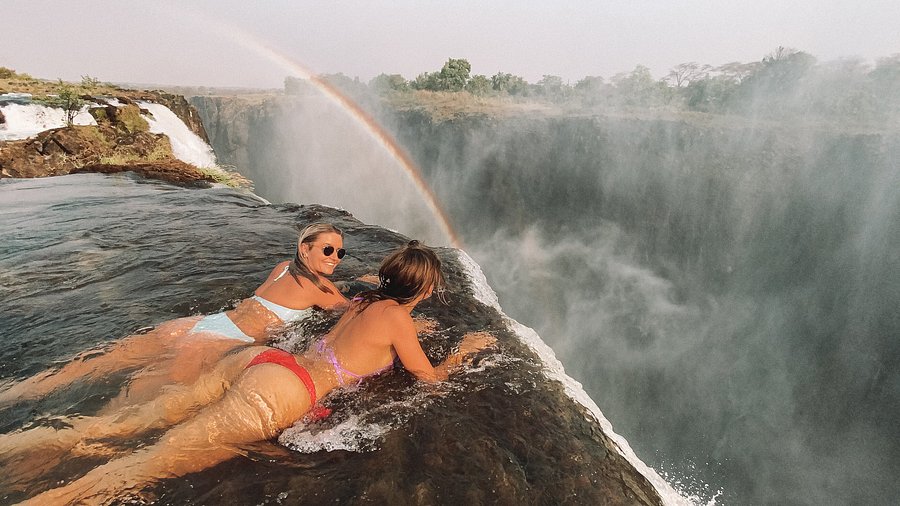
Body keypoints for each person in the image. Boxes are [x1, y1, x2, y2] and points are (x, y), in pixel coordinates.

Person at [12, 240, 495, 505]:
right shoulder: (397, 318)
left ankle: (16, 446)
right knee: (144, 467)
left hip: (262, 363)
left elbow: (370, 305)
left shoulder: (364, 301)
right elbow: (427, 378)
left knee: (120, 426)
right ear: (426, 289)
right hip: (286, 391)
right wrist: (465, 351)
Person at [0, 223, 350, 408]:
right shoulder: (319, 289)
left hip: (196, 325)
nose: (335, 257)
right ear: (305, 248)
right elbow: (355, 311)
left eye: (341, 252)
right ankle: (63, 443)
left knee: (94, 363)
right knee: (133, 407)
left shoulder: (282, 267)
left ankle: (15, 393)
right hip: (216, 341)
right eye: (328, 249)